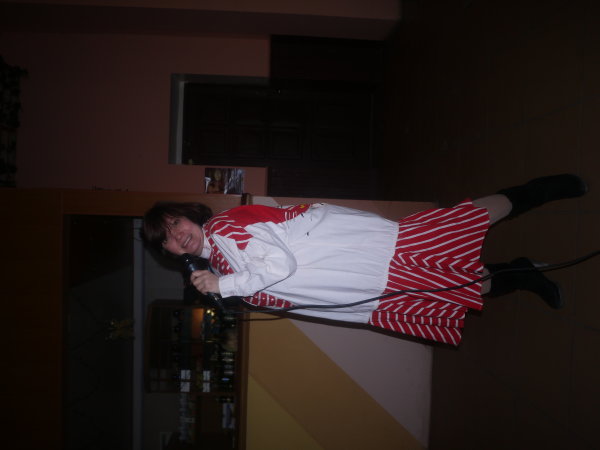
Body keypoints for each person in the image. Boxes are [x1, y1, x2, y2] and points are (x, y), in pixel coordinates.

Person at [142, 174, 587, 346]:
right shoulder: (219, 263)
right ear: (170, 253)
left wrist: (225, 286)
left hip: (370, 258)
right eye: (169, 239)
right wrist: (222, 281)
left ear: (188, 215)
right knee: (453, 287)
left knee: (462, 224)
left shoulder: (225, 231)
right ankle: (523, 274)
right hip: (363, 286)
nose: (178, 234)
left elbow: (279, 268)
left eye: (175, 222)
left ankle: (540, 191)